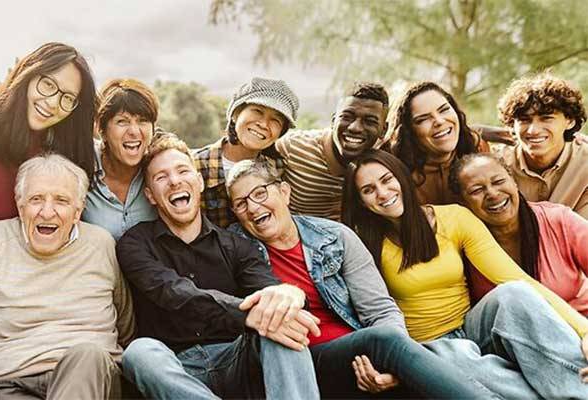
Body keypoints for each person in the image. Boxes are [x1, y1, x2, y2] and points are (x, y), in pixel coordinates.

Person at [225, 159, 494, 398]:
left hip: (358, 358)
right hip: (296, 363)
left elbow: (380, 309)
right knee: (383, 341)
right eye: (240, 203)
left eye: (260, 193)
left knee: (391, 349)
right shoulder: (234, 248)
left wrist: (392, 367)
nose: (252, 207)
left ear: (284, 192)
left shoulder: (334, 237)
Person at [342, 149, 588, 397]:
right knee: (460, 358)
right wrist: (398, 363)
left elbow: (515, 277)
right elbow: (372, 313)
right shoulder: (363, 244)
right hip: (427, 347)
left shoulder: (454, 217)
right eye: (368, 190)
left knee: (514, 292)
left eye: (387, 180)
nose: (383, 193)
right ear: (361, 201)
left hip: (473, 326)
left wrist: (585, 332)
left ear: (401, 177)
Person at [117, 134, 320, 399]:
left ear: (199, 181)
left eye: (182, 171)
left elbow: (270, 291)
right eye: (161, 177)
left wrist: (289, 295)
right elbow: (173, 292)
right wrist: (246, 314)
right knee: (139, 352)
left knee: (278, 325)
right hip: (176, 369)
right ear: (150, 196)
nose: (175, 180)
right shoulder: (134, 243)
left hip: (237, 358)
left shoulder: (237, 246)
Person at [0, 153, 135, 399]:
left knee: (87, 354)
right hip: (10, 383)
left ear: (77, 211)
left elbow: (125, 325)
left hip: (91, 379)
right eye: (36, 199)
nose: (47, 212)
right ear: (20, 206)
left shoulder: (100, 243)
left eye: (61, 200)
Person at [0, 42, 97, 260]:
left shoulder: (68, 144)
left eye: (68, 98)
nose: (53, 103)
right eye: (48, 85)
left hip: (61, 269)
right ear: (27, 75)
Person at [450, 152, 588, 313]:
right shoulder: (459, 245)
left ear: (514, 182)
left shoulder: (558, 220)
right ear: (462, 202)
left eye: (499, 181)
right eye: (476, 190)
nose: (493, 194)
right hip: (512, 334)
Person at [276, 82, 389, 221]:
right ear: (333, 120)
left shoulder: (384, 165)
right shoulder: (292, 147)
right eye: (347, 117)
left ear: (383, 130)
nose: (355, 128)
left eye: (370, 121)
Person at [194, 77, 298, 228]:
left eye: (276, 120)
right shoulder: (196, 164)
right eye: (257, 111)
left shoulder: (278, 168)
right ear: (235, 114)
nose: (263, 124)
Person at [495, 72, 588, 219]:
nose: (533, 131)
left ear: (570, 121)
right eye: (524, 120)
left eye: (546, 119)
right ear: (513, 124)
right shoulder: (497, 164)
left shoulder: (584, 163)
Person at [389, 81, 490, 206]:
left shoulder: (477, 148)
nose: (439, 121)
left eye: (444, 110)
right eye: (423, 119)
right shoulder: (395, 172)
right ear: (409, 131)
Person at [81, 78, 159, 239]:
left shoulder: (160, 166)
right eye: (122, 121)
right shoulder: (82, 163)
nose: (134, 131)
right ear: (102, 131)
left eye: (143, 121)